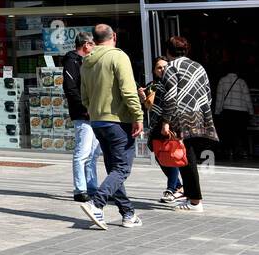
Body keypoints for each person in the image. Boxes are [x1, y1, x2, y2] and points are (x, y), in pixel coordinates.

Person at [78, 24, 144, 229]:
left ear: (94, 40)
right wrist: (138, 116)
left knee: (114, 168)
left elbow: (85, 97)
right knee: (122, 168)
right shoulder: (118, 56)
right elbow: (128, 90)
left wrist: (96, 110)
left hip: (97, 121)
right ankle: (96, 203)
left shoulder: (86, 61)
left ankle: (127, 213)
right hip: (118, 120)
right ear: (114, 36)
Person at [159, 37, 219, 213]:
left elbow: (170, 97)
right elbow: (208, 93)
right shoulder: (198, 66)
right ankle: (191, 197)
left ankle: (195, 201)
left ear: (169, 51)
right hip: (200, 115)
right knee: (188, 156)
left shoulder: (172, 67)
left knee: (186, 158)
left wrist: (165, 121)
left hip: (181, 117)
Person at [139, 55, 183, 204]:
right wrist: (142, 97)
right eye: (159, 67)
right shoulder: (151, 86)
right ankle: (178, 186)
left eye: (165, 67)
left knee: (172, 156)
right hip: (156, 126)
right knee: (161, 158)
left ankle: (171, 189)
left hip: (171, 124)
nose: (162, 69)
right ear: (154, 70)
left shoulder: (174, 83)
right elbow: (147, 107)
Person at [63, 31, 100, 202]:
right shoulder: (72, 61)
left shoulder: (88, 61)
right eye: (93, 44)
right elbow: (70, 89)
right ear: (85, 45)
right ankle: (80, 189)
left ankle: (92, 186)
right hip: (83, 114)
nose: (94, 47)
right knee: (82, 152)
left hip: (94, 112)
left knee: (93, 153)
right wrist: (85, 108)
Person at [214, 63, 254, 161]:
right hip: (242, 112)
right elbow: (247, 98)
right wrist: (251, 111)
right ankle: (239, 153)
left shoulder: (222, 81)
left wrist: (217, 111)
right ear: (237, 72)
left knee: (228, 133)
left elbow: (219, 98)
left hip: (228, 111)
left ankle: (229, 152)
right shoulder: (242, 82)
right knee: (240, 133)